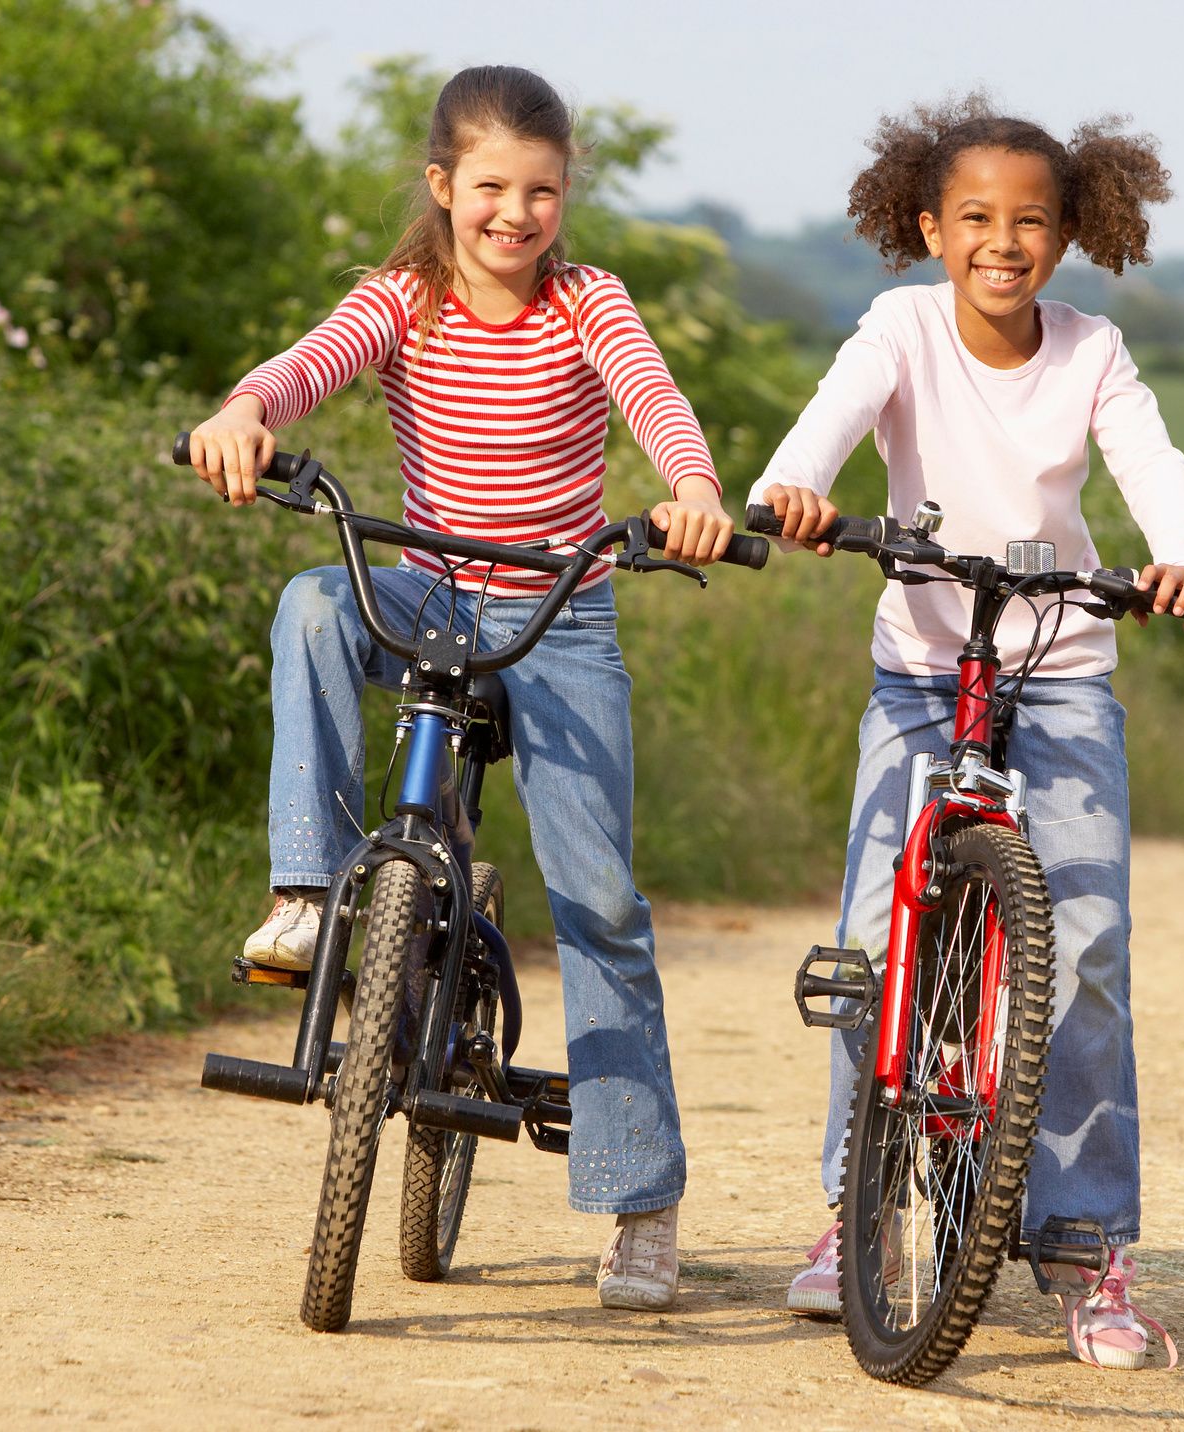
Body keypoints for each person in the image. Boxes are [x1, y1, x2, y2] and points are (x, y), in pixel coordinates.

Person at [182, 64, 732, 1314]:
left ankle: (639, 1200)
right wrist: (245, 410)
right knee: (312, 599)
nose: (515, 214)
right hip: (428, 591)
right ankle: (312, 890)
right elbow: (312, 362)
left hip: (559, 608)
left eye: (541, 190)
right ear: (443, 187)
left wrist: (691, 490)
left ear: (564, 195)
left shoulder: (589, 300)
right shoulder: (406, 298)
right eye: (490, 187)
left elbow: (654, 395)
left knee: (598, 898)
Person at [751, 95, 1184, 1371]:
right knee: (869, 936)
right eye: (974, 219)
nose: (1001, 243)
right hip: (922, 671)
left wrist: (1183, 557)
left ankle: (1087, 1250)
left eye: (1029, 222)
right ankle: (854, 1215)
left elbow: (1153, 467)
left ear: (1067, 235)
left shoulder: (1093, 351)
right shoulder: (903, 326)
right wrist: (795, 483)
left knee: (1087, 949)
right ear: (928, 226)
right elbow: (837, 414)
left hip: (1060, 669)